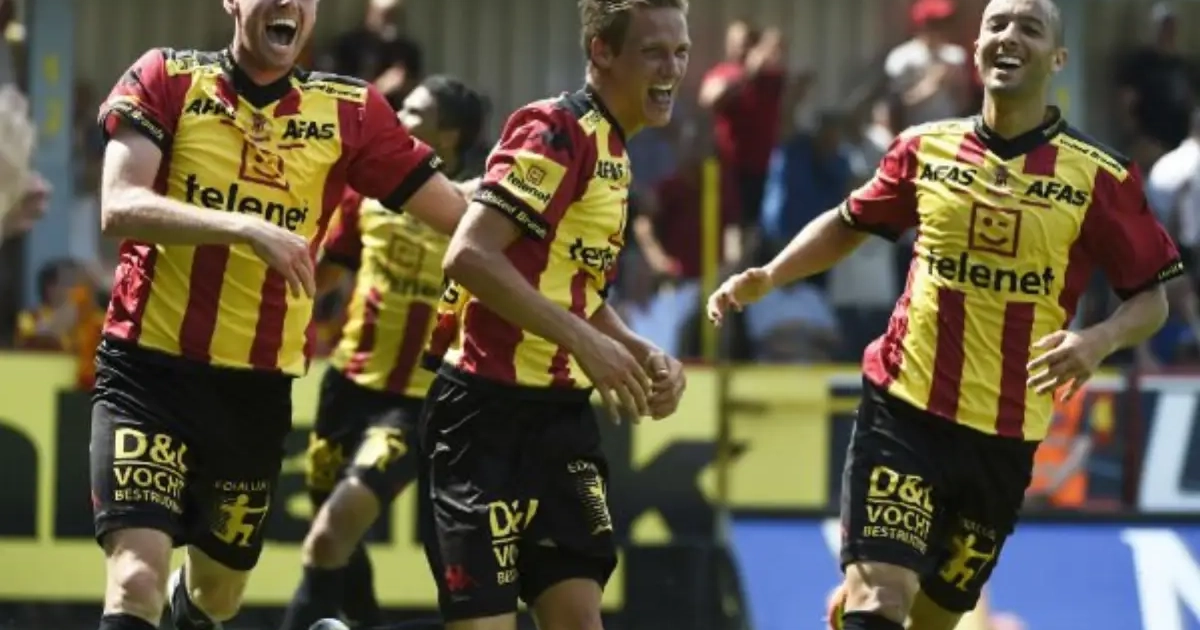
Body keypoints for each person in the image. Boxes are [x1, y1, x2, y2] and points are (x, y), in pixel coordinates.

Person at [708, 1, 1182, 629]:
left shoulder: (1101, 176)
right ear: (977, 51)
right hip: (905, 411)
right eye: (996, 25)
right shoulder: (924, 148)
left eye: (1030, 28)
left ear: (1058, 59)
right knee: (882, 601)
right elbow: (851, 222)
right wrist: (770, 275)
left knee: (933, 622)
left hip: (1004, 440)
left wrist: (1097, 341)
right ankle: (865, 594)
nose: (1009, 37)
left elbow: (1152, 298)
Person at [87, 1, 471, 630]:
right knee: (135, 581)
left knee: (217, 596)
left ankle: (191, 608)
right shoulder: (166, 76)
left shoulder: (351, 110)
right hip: (147, 373)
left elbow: (458, 217)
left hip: (254, 393)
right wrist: (244, 227)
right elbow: (119, 204)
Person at [416, 1, 690, 628]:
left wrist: (640, 350)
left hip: (561, 421)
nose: (672, 69)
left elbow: (575, 291)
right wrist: (587, 346)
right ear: (602, 52)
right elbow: (469, 256)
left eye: (680, 52)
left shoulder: (616, 150)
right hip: (483, 417)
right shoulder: (556, 130)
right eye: (653, 51)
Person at [279, 75, 489, 630]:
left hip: (413, 405)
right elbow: (328, 274)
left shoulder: (477, 212)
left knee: (330, 535)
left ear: (449, 134)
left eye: (414, 110)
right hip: (344, 387)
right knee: (331, 541)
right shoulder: (366, 191)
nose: (399, 114)